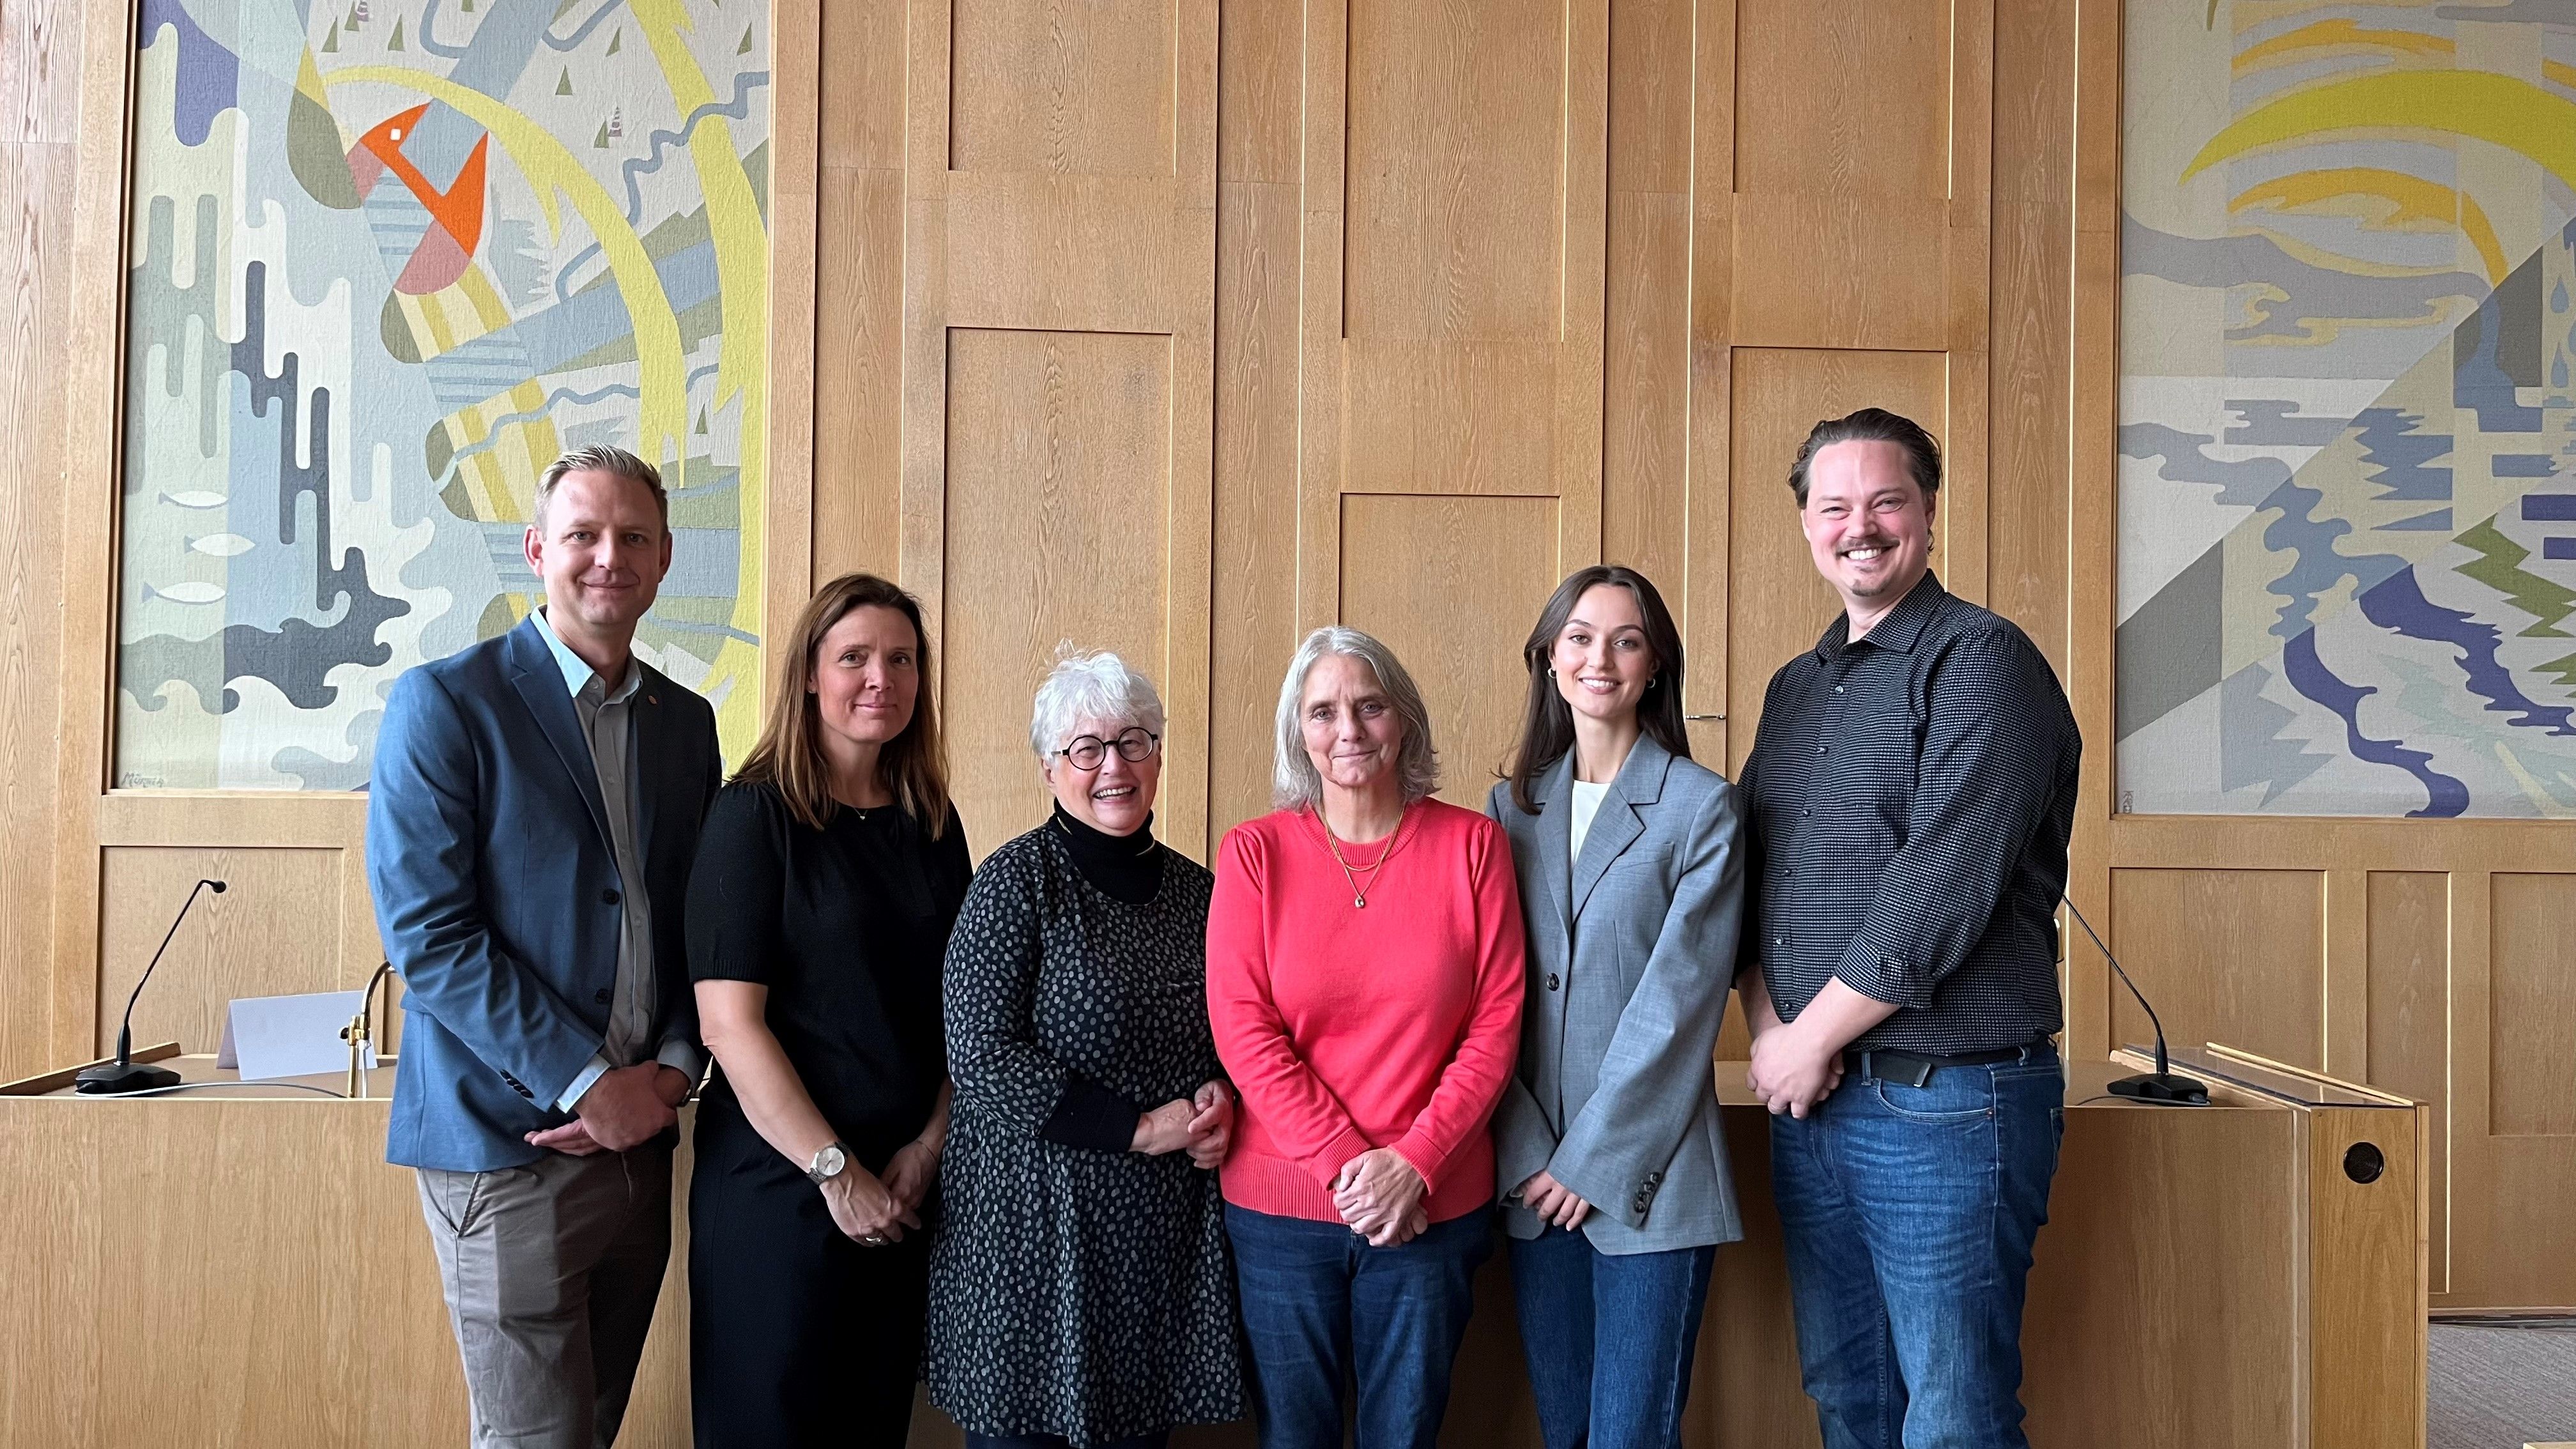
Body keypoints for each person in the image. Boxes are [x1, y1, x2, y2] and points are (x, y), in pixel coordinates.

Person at [1733, 408, 2080, 1449]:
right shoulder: (1795, 689)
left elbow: (1942, 885)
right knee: (1849, 1394)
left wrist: (1805, 1037)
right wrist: (1770, 1032)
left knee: (1953, 1413)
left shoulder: (1982, 659)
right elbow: (1750, 877)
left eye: (1886, 501)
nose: (1861, 526)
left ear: (1928, 513)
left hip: (1946, 1103)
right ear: (1806, 524)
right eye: (1835, 506)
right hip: (1815, 1098)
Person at [367, 444, 722, 1449]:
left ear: (663, 560)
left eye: (635, 537)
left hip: (641, 1142)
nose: (610, 556)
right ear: (536, 550)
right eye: (584, 534)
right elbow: (430, 938)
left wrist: (673, 1072)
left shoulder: (686, 724)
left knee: (590, 1431)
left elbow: (701, 921)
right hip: (508, 1150)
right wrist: (586, 1084)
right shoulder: (446, 704)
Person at [1208, 627, 1526, 1449]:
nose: (1348, 729)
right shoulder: (1254, 854)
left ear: (1403, 720)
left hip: (1432, 1204)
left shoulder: (1474, 847)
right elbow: (1244, 1031)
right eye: (1323, 711)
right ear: (1299, 732)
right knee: (1294, 1438)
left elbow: (1496, 1027)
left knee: (1404, 1436)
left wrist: (1414, 1165)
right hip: (1282, 1209)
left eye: (1370, 706)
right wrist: (1354, 1169)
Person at [927, 648, 1246, 1449]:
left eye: (1133, 742)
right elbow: (980, 1055)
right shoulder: (1013, 884)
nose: (1114, 766)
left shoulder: (1204, 894)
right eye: (1087, 748)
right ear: (1049, 768)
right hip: (1030, 1245)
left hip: (1152, 1248)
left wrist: (1220, 1099)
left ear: (1158, 756)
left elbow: (1239, 1031)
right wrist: (1138, 1128)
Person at [684, 573, 971, 1445]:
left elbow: (964, 1012)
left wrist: (929, 1147)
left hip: (904, 1190)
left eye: (902, 660)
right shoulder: (752, 817)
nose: (881, 678)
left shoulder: (932, 822)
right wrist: (837, 1173)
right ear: (810, 674)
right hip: (783, 1190)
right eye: (855, 658)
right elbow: (728, 1025)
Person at [1487, 565, 1747, 1449]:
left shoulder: (1702, 808)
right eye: (1581, 638)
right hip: (1531, 1184)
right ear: (1549, 659)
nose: (1600, 659)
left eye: (1626, 641)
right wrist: (1531, 1154)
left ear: (1654, 665)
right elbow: (1486, 998)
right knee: (1564, 1432)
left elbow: (1678, 1010)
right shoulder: (1508, 810)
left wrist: (1586, 1164)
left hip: (1651, 1182)